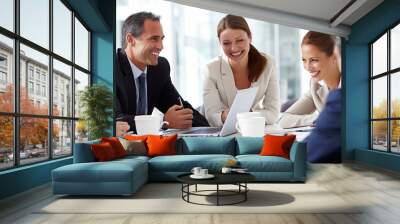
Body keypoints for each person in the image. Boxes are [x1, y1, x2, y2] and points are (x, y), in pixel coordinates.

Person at [116, 12, 209, 134]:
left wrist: (214, 132)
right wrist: (162, 121)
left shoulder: (159, 68)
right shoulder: (112, 68)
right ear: (130, 39)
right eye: (154, 39)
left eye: (161, 39)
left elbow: (180, 108)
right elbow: (115, 120)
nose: (161, 46)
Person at [203, 14, 280, 127]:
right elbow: (212, 118)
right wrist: (226, 116)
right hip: (220, 130)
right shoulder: (211, 69)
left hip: (250, 127)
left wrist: (246, 116)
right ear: (220, 42)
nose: (234, 48)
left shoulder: (268, 63)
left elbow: (273, 113)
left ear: (250, 38)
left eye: (239, 40)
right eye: (226, 43)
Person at [279, 31, 341, 128]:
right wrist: (317, 119)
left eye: (314, 60)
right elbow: (283, 120)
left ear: (333, 57)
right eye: (304, 60)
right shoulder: (315, 87)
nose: (307, 67)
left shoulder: (350, 83)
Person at [304, 89, 341, 163]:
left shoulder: (339, 98)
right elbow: (284, 120)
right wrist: (319, 118)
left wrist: (323, 117)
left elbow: (309, 152)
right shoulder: (315, 86)